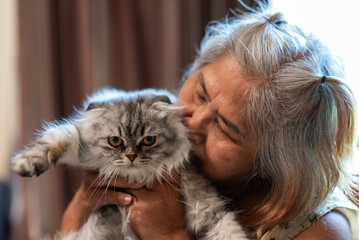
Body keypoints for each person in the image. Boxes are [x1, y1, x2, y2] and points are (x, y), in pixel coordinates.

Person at [60, 8, 359, 240]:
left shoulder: (321, 229)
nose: (193, 122)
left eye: (225, 128)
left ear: (274, 164)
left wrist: (169, 234)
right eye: (201, 93)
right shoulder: (155, 132)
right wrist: (87, 199)